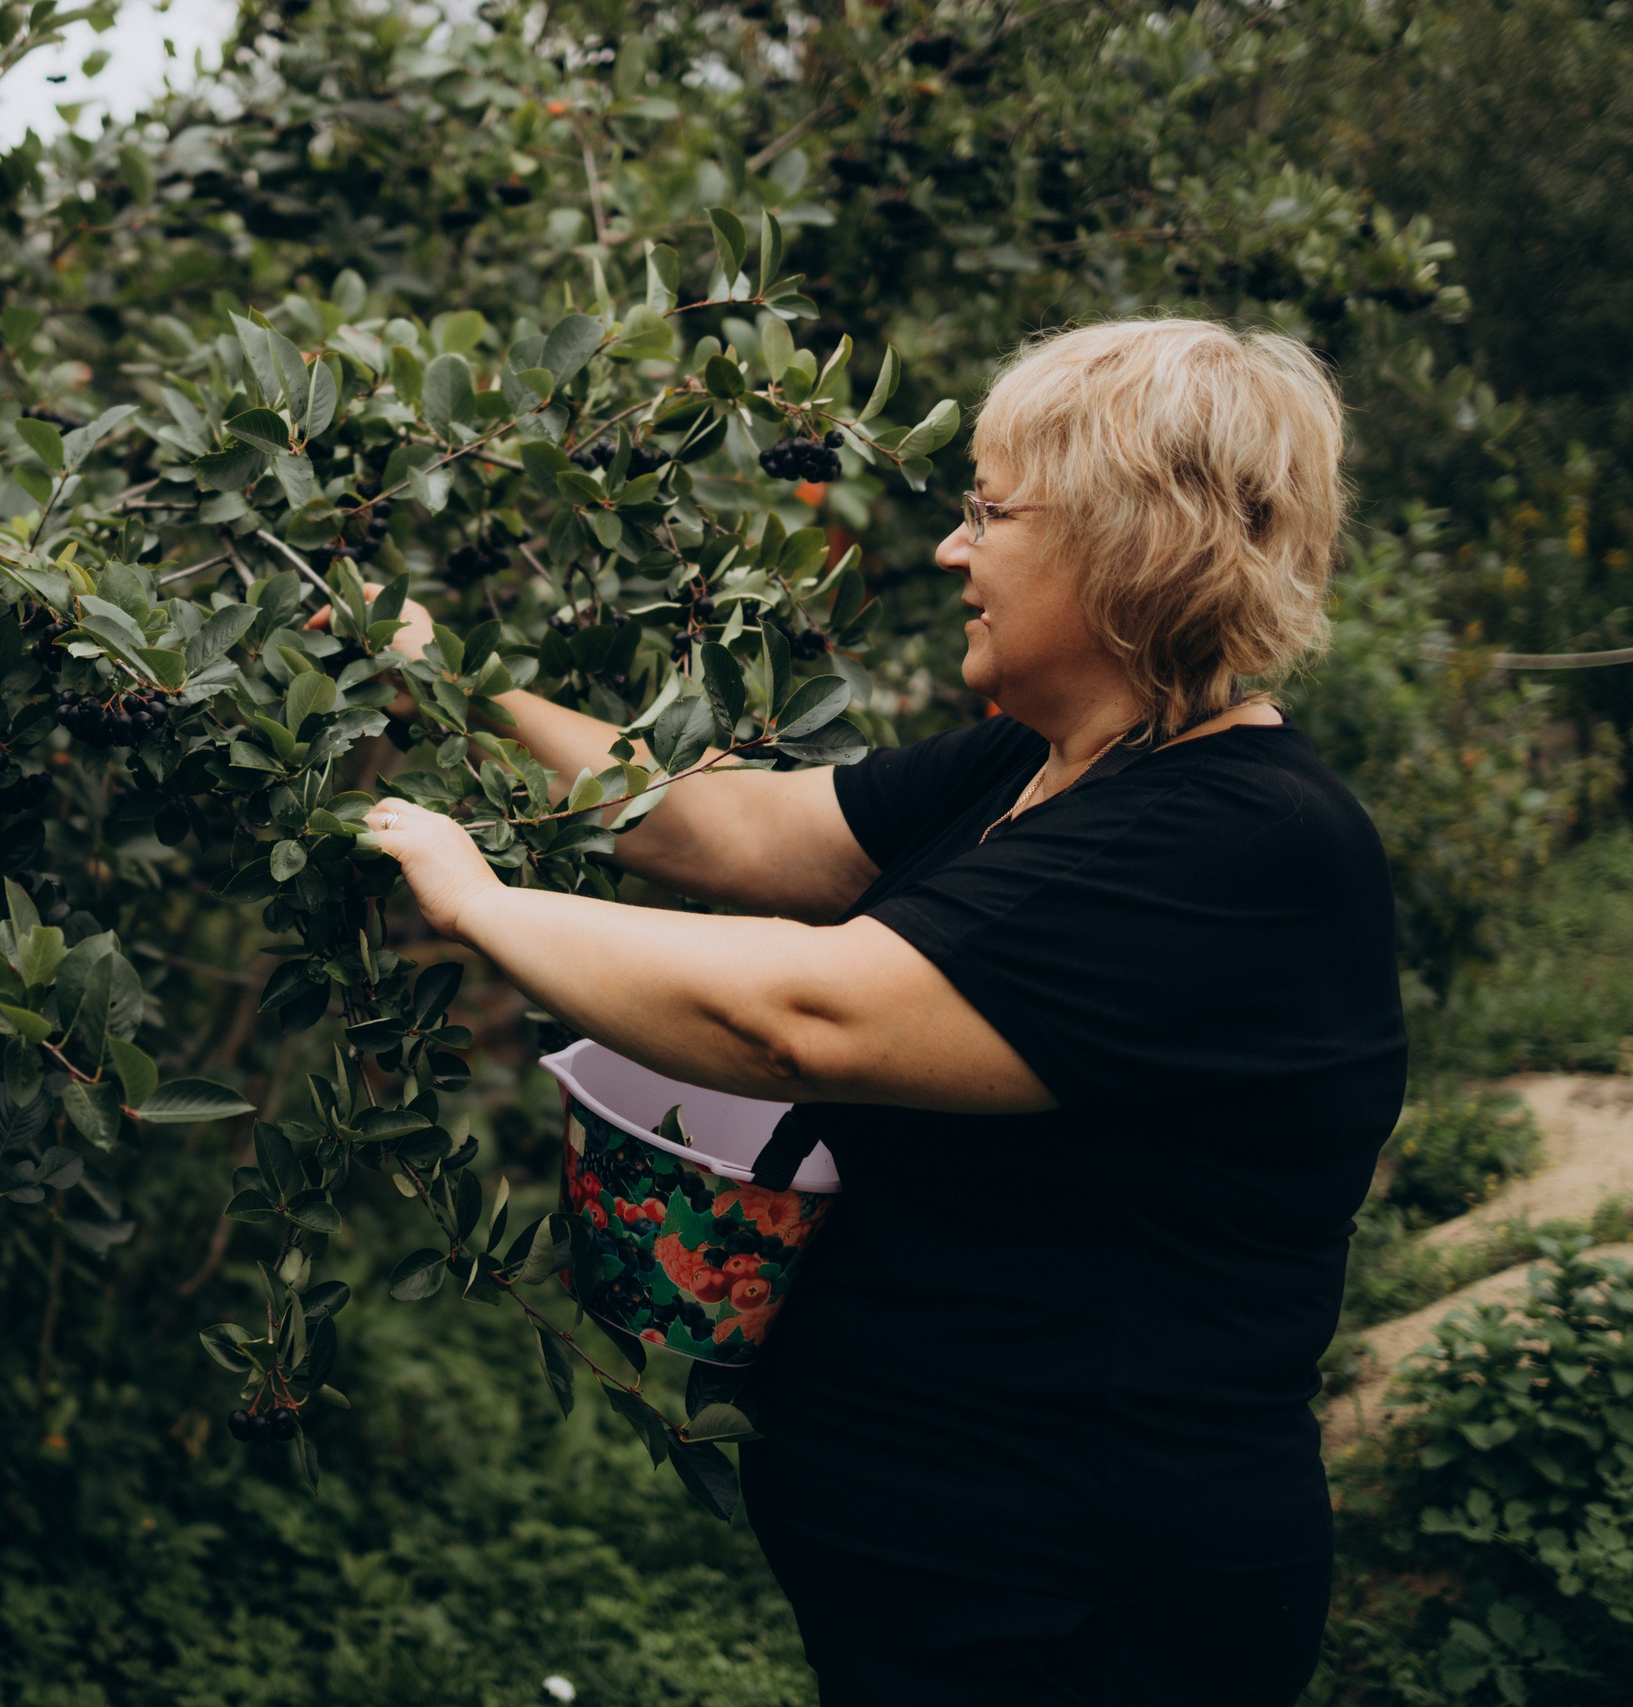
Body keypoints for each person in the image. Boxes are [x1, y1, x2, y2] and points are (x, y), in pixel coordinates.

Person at [356, 318, 1406, 1706]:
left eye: (988, 508)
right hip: (947, 1583)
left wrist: (479, 900)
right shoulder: (1040, 766)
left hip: (1089, 1609)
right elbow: (719, 831)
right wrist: (442, 685)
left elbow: (800, 1019)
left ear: (1127, 536)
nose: (951, 549)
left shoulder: (1241, 842)